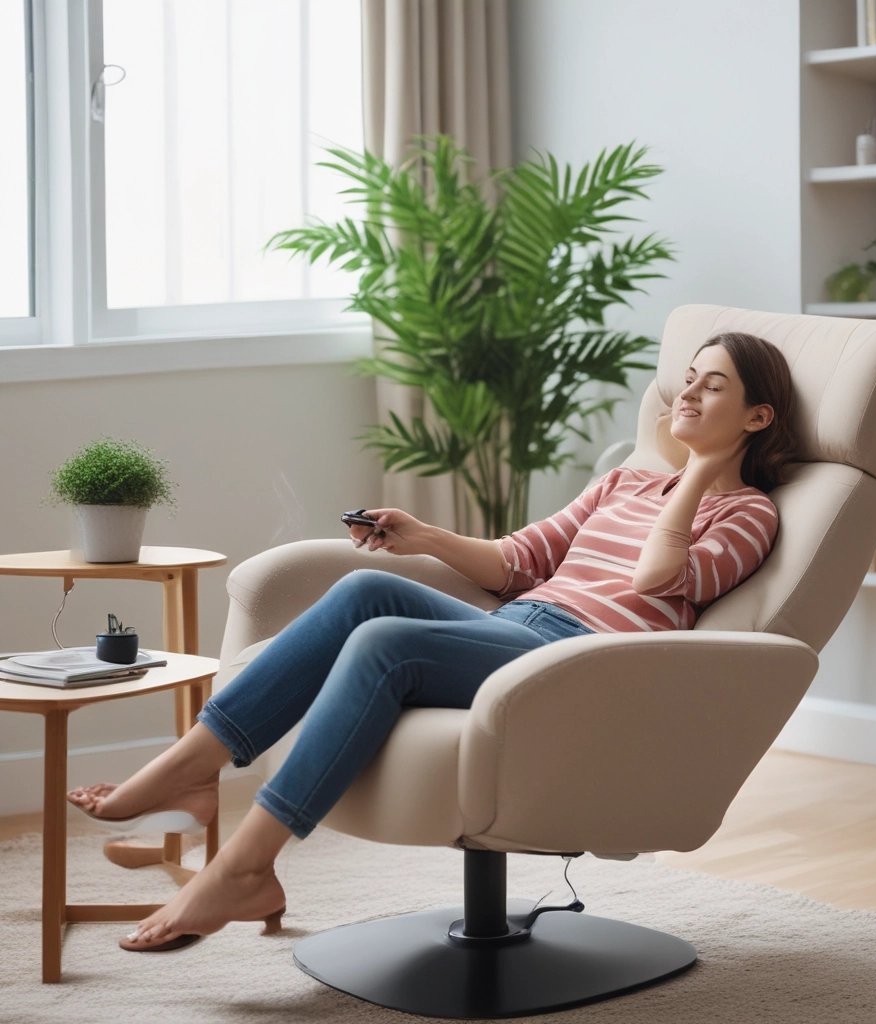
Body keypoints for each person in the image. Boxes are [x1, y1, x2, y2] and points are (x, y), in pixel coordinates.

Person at [66, 330, 797, 953]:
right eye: (686, 379)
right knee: (364, 590)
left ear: (757, 416)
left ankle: (245, 867)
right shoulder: (622, 484)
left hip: (583, 662)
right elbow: (519, 562)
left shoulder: (749, 514)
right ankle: (193, 770)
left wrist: (699, 473)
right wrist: (422, 537)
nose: (687, 395)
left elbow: (657, 578)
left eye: (713, 387)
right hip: (516, 627)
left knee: (386, 643)